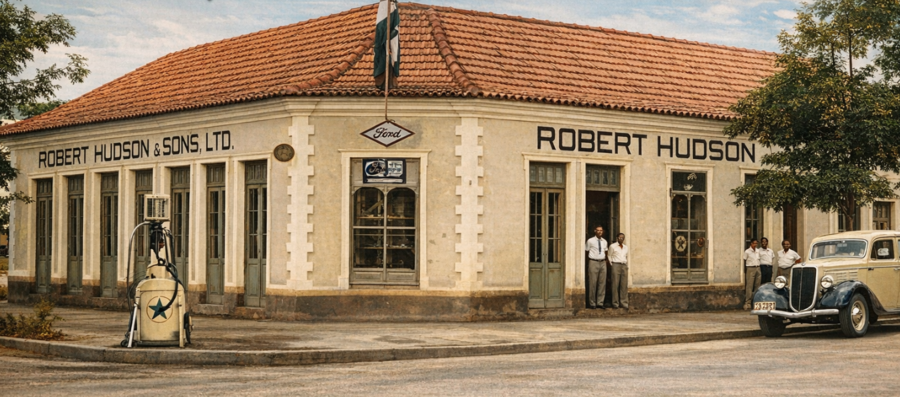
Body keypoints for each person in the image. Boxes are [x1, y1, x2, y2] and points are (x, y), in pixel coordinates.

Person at [584, 225, 608, 309]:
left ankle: (600, 302)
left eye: (601, 230)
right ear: (595, 231)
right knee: (593, 283)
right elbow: (586, 252)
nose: (600, 232)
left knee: (602, 283)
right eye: (598, 230)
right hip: (593, 261)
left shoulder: (604, 241)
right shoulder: (590, 241)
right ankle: (592, 303)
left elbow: (606, 252)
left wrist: (605, 261)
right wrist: (588, 263)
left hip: (602, 262)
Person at [607, 233, 629, 310]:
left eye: (622, 238)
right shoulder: (612, 246)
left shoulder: (625, 247)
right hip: (616, 264)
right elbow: (609, 255)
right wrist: (612, 264)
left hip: (623, 265)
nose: (621, 239)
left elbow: (626, 256)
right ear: (617, 238)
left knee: (624, 285)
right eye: (620, 237)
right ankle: (615, 303)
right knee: (615, 284)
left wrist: (626, 264)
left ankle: (624, 302)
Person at [743, 239, 761, 310]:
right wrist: (745, 270)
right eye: (754, 243)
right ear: (751, 243)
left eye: (756, 243)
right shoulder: (747, 251)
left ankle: (756, 302)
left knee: (757, 285)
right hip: (750, 268)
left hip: (758, 267)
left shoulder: (758, 251)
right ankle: (748, 302)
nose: (755, 245)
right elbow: (744, 260)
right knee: (749, 285)